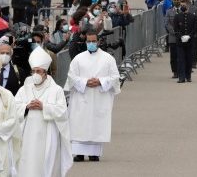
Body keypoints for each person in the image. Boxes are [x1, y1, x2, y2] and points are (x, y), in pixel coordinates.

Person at [15, 46, 72, 176]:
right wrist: (26, 107)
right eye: (33, 71)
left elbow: (62, 112)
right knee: (28, 164)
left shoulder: (56, 90)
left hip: (48, 134)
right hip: (27, 135)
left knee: (45, 164)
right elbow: (14, 107)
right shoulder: (24, 89)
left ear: (46, 73)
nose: (35, 74)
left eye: (39, 71)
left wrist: (44, 107)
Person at [65, 31, 121, 162]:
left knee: (96, 123)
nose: (91, 44)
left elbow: (115, 77)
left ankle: (94, 153)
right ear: (85, 42)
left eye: (93, 41)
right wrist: (85, 82)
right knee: (80, 122)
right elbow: (71, 77)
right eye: (88, 41)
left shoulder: (108, 58)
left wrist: (100, 81)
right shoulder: (78, 58)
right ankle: (78, 153)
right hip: (81, 96)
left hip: (99, 97)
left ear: (98, 41)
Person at [173, 0, 197, 84]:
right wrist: (181, 36)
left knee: (189, 59)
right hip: (180, 42)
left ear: (187, 6)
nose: (183, 6)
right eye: (182, 5)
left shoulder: (193, 17)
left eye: (184, 5)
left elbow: (195, 29)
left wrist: (189, 36)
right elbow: (175, 29)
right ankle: (181, 77)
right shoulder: (177, 16)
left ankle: (188, 76)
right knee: (180, 59)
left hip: (190, 42)